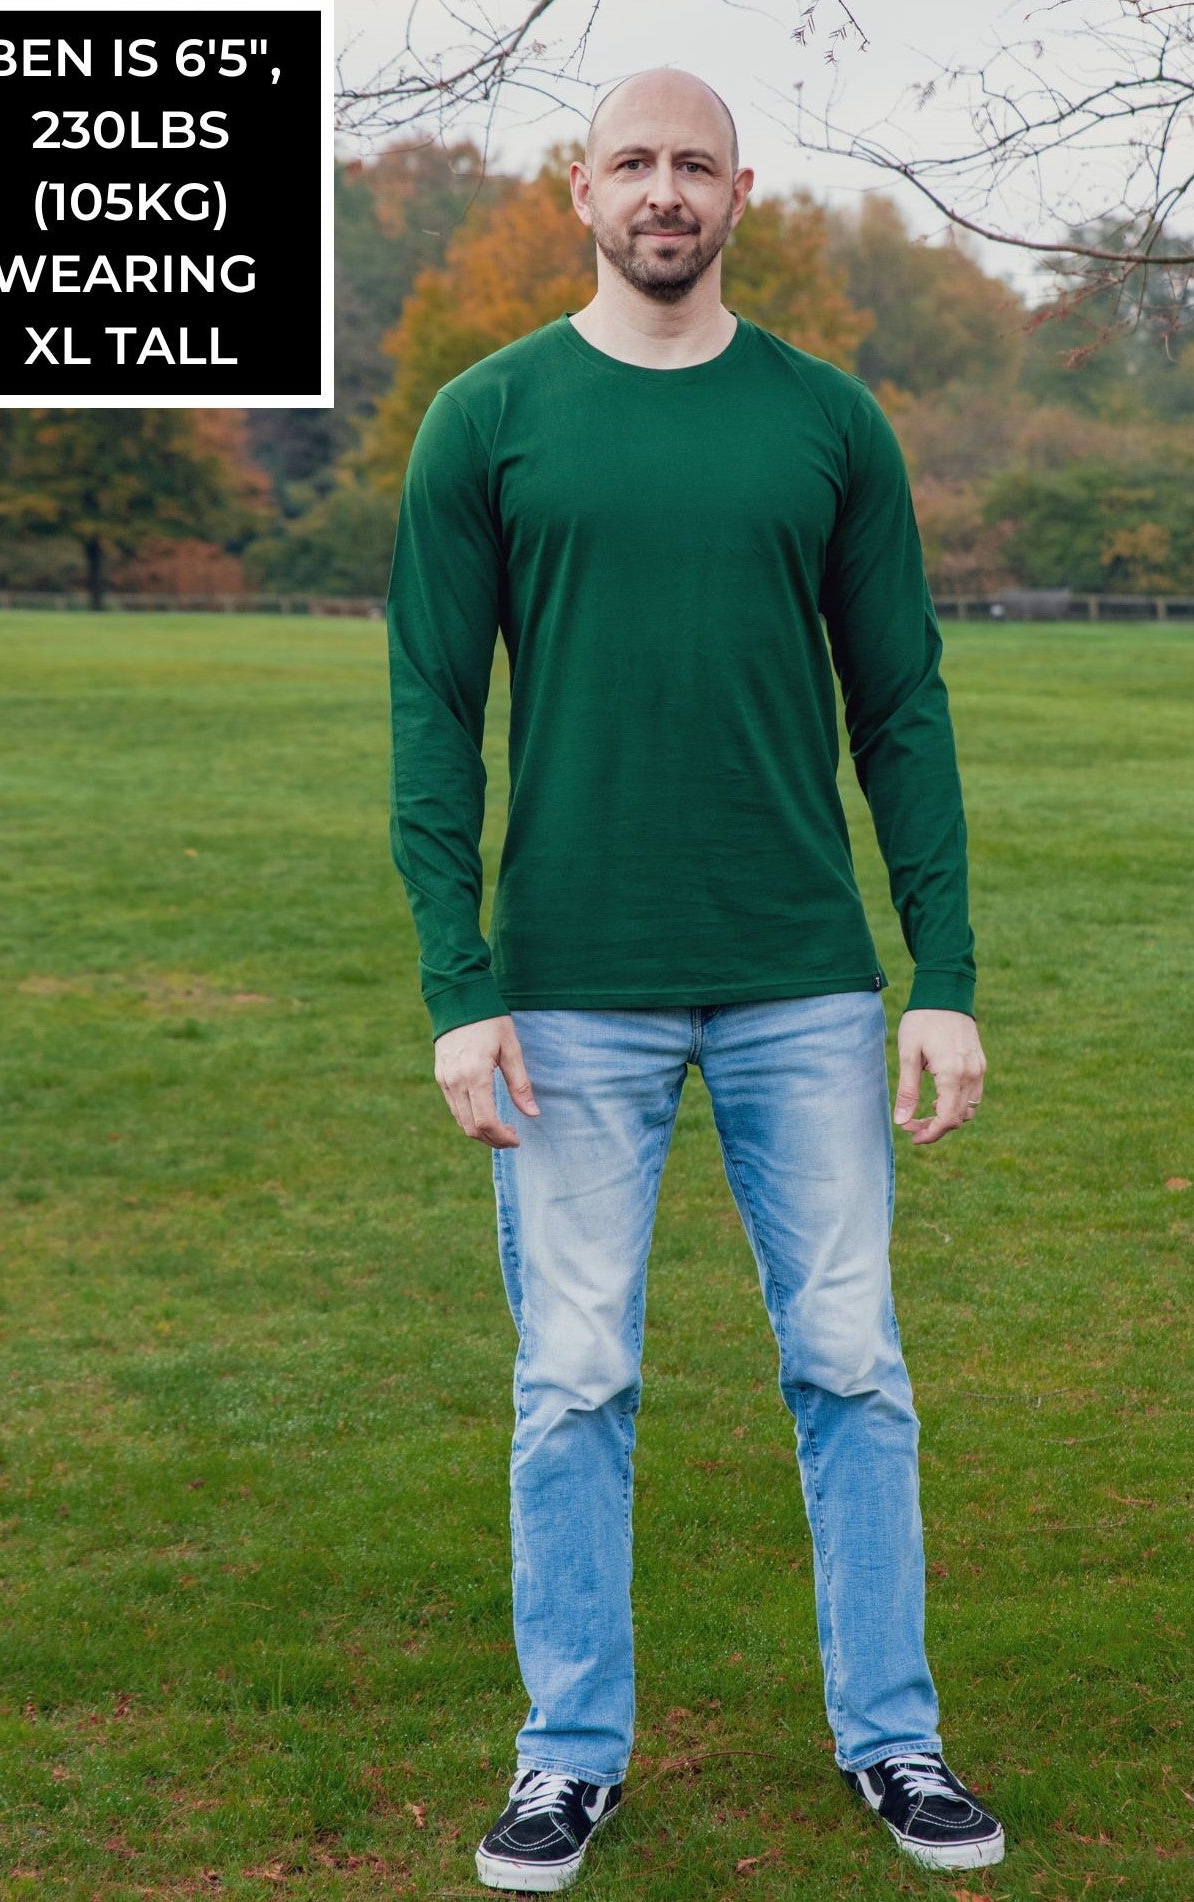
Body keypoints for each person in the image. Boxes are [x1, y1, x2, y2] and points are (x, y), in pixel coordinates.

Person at [385, 63, 1005, 1892]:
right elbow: (431, 714)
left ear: (745, 189)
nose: (665, 191)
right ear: (578, 188)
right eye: (633, 163)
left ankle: (895, 1739)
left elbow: (902, 705)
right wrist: (457, 981)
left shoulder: (826, 421)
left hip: (802, 976)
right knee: (572, 1376)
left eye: (695, 165)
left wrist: (941, 970)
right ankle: (567, 1754)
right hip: (566, 986)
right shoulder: (486, 417)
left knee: (852, 1365)